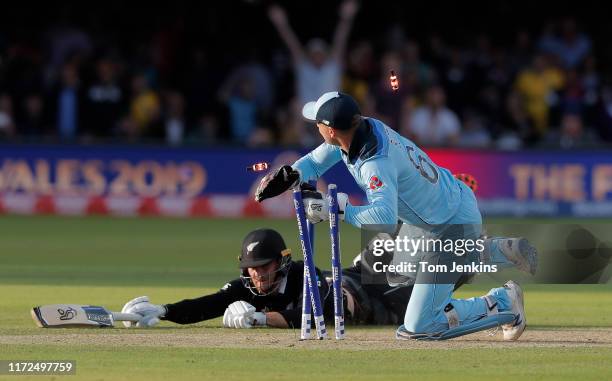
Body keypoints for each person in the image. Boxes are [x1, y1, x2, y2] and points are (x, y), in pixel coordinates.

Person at [254, 91, 538, 340]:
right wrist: (292, 174)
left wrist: (336, 209)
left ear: (329, 130)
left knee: (418, 326)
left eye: (316, 123)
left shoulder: (374, 163)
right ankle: (497, 251)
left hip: (449, 227)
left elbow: (384, 218)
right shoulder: (363, 129)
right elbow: (315, 162)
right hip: (444, 209)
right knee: (395, 276)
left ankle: (502, 302)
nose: (315, 127)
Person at [121, 228, 413, 329]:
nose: (258, 274)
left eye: (264, 265)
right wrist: (163, 311)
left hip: (369, 290)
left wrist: (261, 319)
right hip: (376, 296)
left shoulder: (303, 273)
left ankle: (451, 198)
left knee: (396, 236)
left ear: (281, 262)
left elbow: (320, 314)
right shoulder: (249, 287)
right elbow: (209, 305)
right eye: (252, 267)